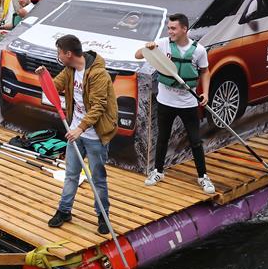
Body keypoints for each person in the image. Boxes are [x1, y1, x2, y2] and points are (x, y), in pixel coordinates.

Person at [37, 34, 118, 235]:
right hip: (76, 133)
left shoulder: (99, 75)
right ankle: (64, 211)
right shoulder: (70, 70)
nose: (58, 56)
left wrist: (80, 129)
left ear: (68, 53)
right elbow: (53, 90)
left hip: (94, 136)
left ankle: (103, 215)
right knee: (71, 175)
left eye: (59, 53)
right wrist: (43, 77)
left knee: (98, 178)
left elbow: (99, 107)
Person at [135, 13, 215, 194]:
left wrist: (206, 93)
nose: (169, 31)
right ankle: (158, 171)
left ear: (184, 29)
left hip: (188, 103)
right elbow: (138, 55)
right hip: (165, 102)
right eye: (168, 28)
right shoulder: (163, 44)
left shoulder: (198, 50)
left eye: (173, 28)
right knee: (162, 138)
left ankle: (203, 176)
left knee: (195, 141)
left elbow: (205, 72)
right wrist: (147, 48)